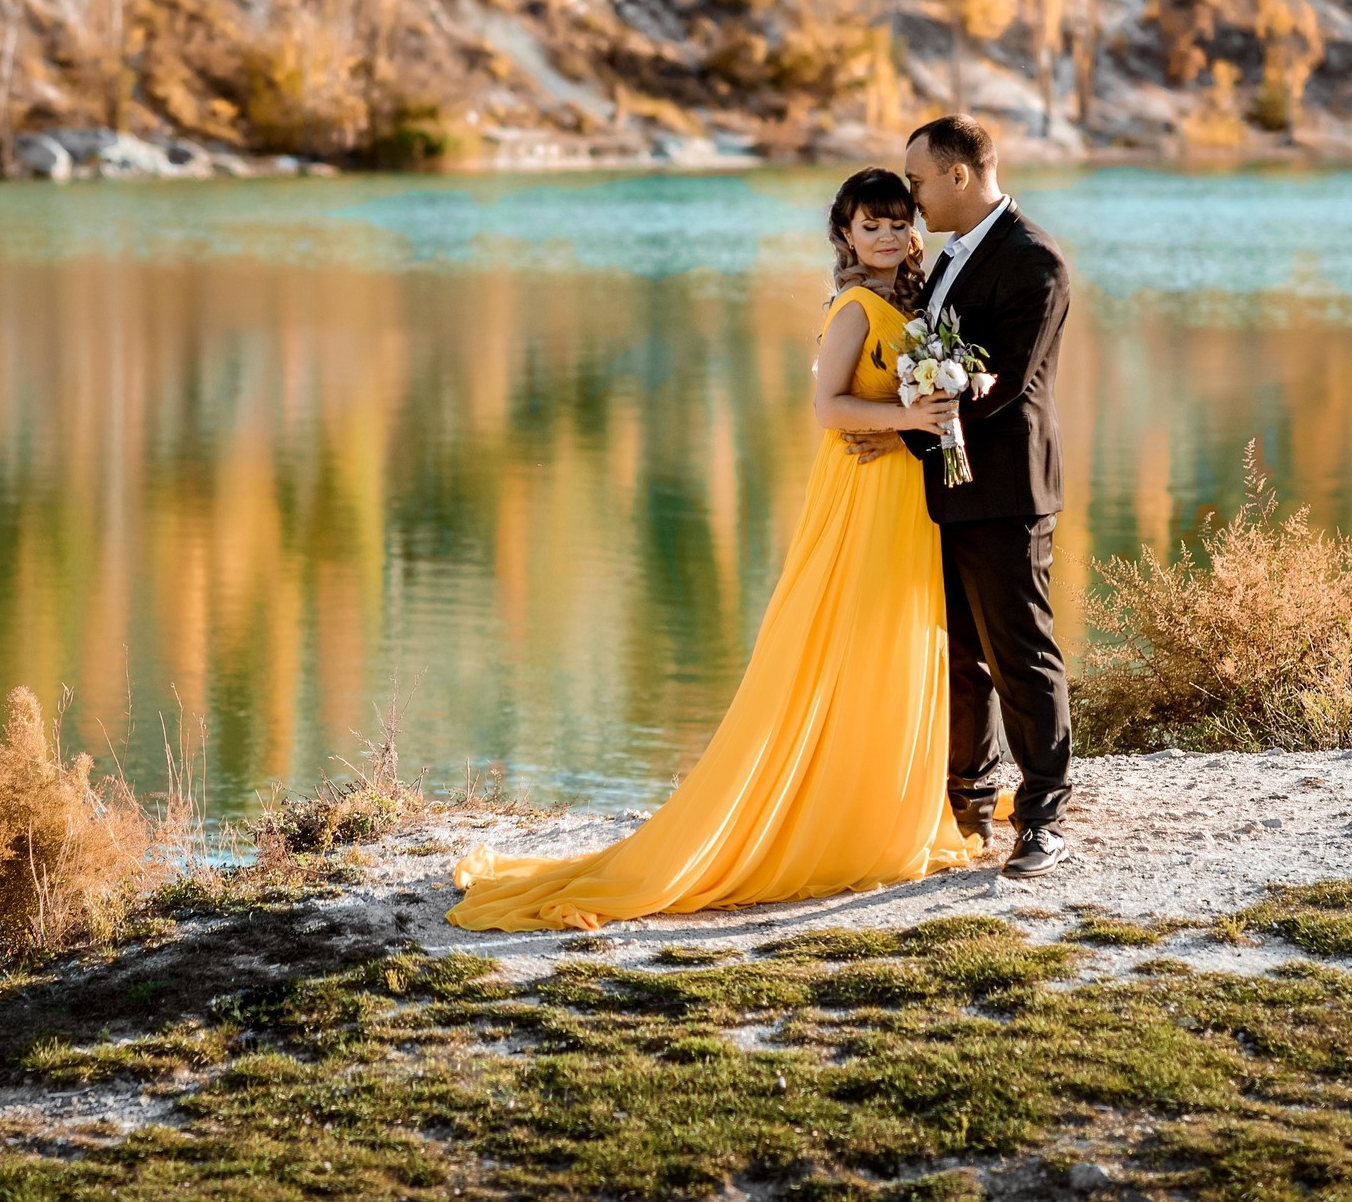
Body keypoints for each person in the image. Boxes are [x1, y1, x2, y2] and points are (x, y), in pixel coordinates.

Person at [446, 167, 984, 931]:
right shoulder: (857, 307)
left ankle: (885, 800)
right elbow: (827, 406)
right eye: (873, 225)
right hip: (862, 495)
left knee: (893, 642)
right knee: (840, 638)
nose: (891, 236)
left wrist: (937, 405)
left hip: (903, 495)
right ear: (846, 234)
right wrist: (909, 414)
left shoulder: (912, 302)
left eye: (900, 223)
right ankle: (835, 814)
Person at [844, 113, 1075, 877]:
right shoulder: (948, 259)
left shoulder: (1034, 262)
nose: (911, 196)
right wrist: (904, 423)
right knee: (962, 656)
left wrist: (901, 429)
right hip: (945, 489)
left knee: (1021, 652)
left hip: (1007, 492)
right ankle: (967, 802)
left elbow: (1004, 389)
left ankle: (1041, 815)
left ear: (958, 175)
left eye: (916, 180)